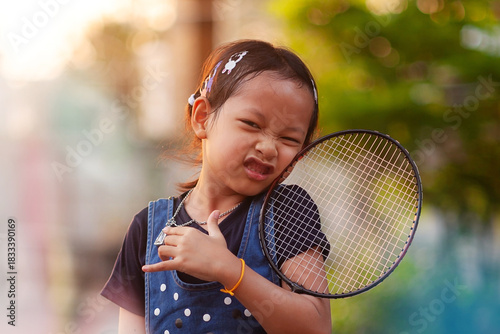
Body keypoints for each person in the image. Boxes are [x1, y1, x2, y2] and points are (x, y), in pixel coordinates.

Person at [101, 39, 332, 334]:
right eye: (252, 124)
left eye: (289, 139)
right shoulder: (147, 229)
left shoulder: (287, 211)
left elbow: (315, 328)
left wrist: (229, 270)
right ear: (202, 117)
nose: (269, 148)